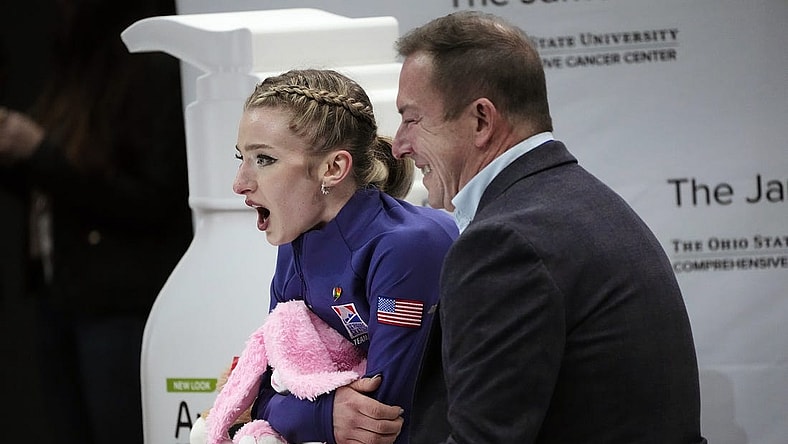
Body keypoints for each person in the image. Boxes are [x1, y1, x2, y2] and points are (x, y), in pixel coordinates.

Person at [386, 11, 707, 443]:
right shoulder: (580, 201)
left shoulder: (505, 242)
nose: (399, 146)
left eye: (412, 118)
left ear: (481, 119)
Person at [231, 68, 458, 444]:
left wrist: (309, 413)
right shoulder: (297, 239)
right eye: (242, 157)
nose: (240, 183)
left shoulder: (409, 246)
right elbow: (265, 394)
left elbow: (382, 421)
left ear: (333, 168)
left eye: (264, 159)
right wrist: (322, 413)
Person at [0, 0, 193, 443]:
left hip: (117, 306)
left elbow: (155, 202)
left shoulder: (146, 74)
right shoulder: (73, 72)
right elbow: (56, 193)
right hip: (58, 296)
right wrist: (20, 159)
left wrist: (39, 154)